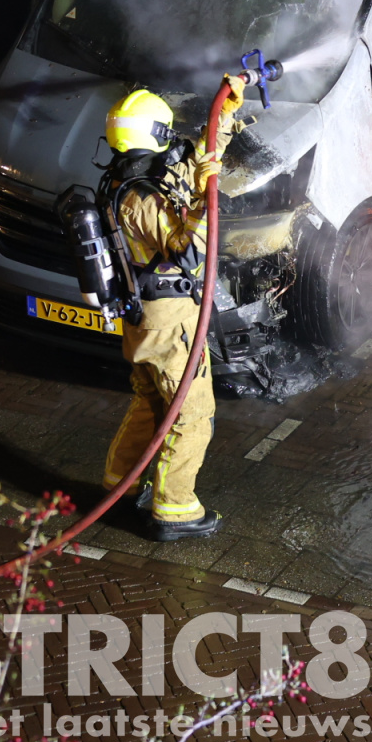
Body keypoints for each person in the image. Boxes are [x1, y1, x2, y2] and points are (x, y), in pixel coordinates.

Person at [98, 78, 243, 542]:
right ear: (154, 135)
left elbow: (192, 159)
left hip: (147, 322)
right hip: (170, 323)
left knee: (153, 403)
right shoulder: (140, 200)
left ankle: (119, 486)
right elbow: (189, 252)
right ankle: (175, 508)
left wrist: (224, 117)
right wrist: (204, 195)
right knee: (192, 414)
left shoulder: (127, 180)